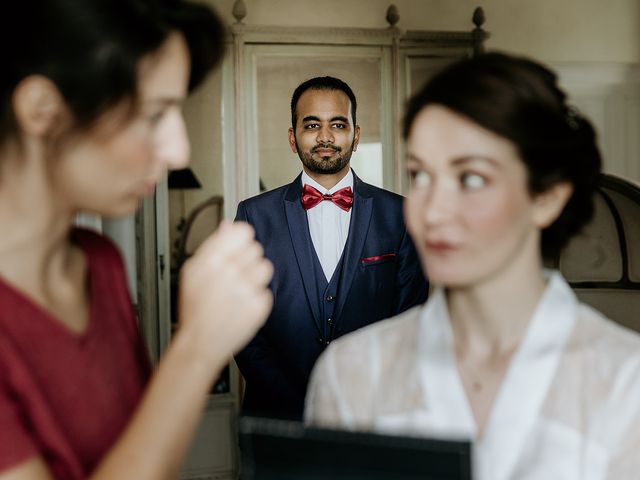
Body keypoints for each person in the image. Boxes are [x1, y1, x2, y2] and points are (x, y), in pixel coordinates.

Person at [305, 53, 640, 479]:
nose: (433, 211)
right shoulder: (351, 372)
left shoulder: (626, 382)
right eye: (420, 175)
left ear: (547, 195)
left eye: (471, 178)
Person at [0, 1, 273, 479]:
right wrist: (195, 349)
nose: (178, 151)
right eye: (153, 115)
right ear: (42, 111)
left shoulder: (100, 264)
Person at [234, 76, 428, 420]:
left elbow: (411, 321)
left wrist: (364, 398)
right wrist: (295, 403)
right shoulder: (254, 215)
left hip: (372, 413)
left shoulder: (400, 216)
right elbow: (241, 327)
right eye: (312, 125)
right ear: (293, 138)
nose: (325, 137)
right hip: (278, 416)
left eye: (338, 124)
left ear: (356, 134)